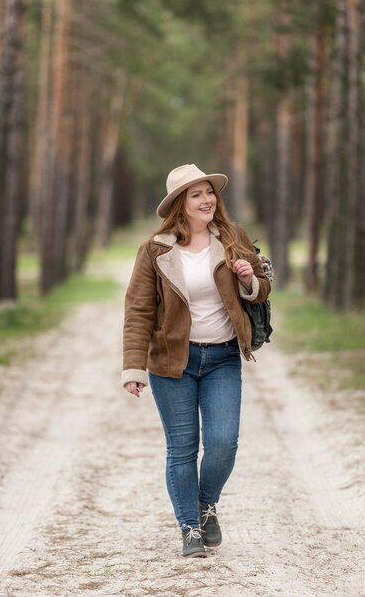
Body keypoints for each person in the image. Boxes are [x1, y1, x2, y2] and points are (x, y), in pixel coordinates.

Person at [122, 163, 271, 558]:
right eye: (196, 194)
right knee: (182, 448)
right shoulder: (156, 250)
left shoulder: (232, 236)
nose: (207, 200)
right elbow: (138, 310)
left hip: (223, 358)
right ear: (180, 205)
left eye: (210, 192)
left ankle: (206, 505)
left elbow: (261, 288)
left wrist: (247, 280)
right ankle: (189, 526)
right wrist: (134, 367)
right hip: (173, 364)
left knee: (223, 443)